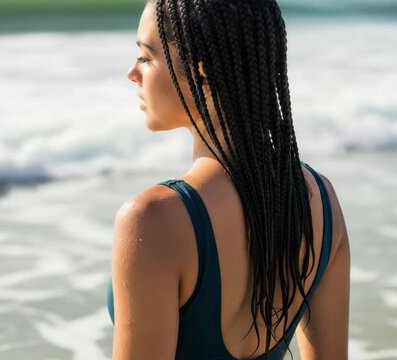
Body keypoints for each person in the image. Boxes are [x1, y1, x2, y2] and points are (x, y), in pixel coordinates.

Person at [107, 0, 350, 359]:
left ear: (202, 75)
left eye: (145, 57)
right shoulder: (321, 201)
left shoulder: (153, 220)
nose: (132, 72)